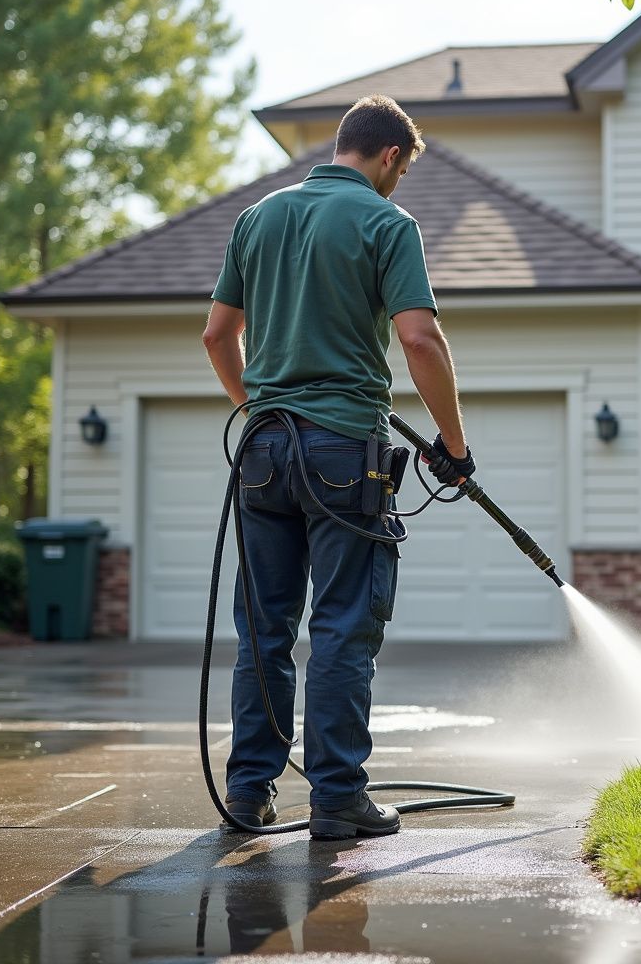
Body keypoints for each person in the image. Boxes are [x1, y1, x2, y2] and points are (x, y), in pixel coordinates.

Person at [202, 94, 475, 839]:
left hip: (263, 451)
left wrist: (257, 406)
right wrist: (452, 444)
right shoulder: (388, 223)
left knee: (264, 629)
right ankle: (336, 800)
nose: (400, 182)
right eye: (404, 170)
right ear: (391, 156)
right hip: (341, 454)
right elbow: (419, 339)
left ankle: (249, 792)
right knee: (343, 626)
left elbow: (218, 335)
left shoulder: (258, 218)